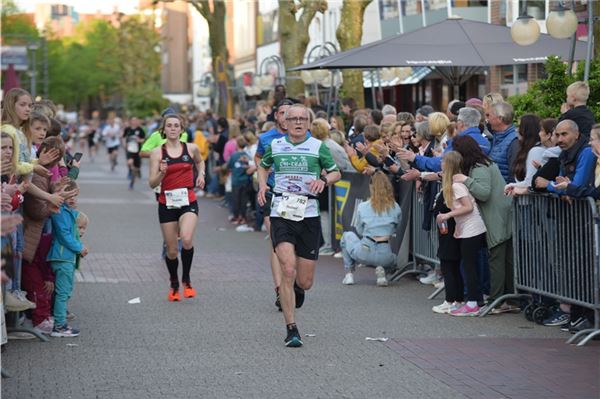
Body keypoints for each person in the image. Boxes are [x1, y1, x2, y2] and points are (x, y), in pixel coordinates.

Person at [257, 104, 340, 347]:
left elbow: (336, 173)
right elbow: (263, 166)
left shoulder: (317, 147)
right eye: (292, 118)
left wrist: (323, 180)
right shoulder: (275, 145)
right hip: (281, 212)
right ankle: (291, 328)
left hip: (309, 214)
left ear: (308, 122)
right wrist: (263, 186)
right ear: (285, 121)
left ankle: (296, 289)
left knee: (304, 281)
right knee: (288, 268)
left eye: (303, 119)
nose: (297, 122)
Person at [452, 136, 516, 314]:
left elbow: (484, 193)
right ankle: (507, 298)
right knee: (504, 259)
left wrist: (466, 180)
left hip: (496, 217)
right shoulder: (484, 164)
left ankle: (498, 300)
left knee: (497, 258)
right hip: (500, 214)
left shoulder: (479, 167)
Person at [149, 114, 205, 302]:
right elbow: (151, 183)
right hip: (167, 203)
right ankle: (174, 282)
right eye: (169, 126)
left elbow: (199, 161)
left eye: (176, 126)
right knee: (172, 251)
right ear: (163, 129)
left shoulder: (191, 148)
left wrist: (201, 175)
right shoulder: (157, 152)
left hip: (188, 200)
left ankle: (186, 279)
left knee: (187, 239)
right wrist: (162, 173)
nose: (173, 129)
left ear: (182, 129)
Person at [254, 98, 294, 309]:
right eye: (282, 113)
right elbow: (258, 159)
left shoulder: (304, 138)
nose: (286, 117)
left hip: (296, 196)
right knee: (277, 240)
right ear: (276, 116)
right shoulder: (266, 138)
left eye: (290, 113)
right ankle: (280, 288)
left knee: (293, 243)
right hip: (272, 193)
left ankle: (291, 281)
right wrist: (262, 183)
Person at [436, 151, 487, 316]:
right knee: (468, 265)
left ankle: (472, 303)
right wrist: (458, 226)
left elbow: (468, 207)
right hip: (467, 227)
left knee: (469, 266)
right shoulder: (452, 184)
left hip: (473, 228)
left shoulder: (456, 186)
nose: (441, 163)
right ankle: (473, 300)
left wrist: (447, 215)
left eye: (443, 161)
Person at [340, 172, 401, 287]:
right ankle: (382, 272)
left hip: (364, 251)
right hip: (385, 254)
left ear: (371, 187)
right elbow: (395, 228)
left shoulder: (362, 207)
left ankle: (349, 274)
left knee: (346, 236)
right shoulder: (396, 207)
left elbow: (359, 230)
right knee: (393, 259)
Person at [47, 180, 88, 337]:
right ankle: (59, 326)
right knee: (63, 293)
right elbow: (65, 236)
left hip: (65, 257)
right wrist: (79, 248)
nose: (72, 199)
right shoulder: (61, 212)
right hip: (63, 257)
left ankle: (58, 321)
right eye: (69, 195)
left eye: (75, 195)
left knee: (64, 292)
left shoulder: (65, 211)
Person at [486, 102, 518, 183]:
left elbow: (514, 173)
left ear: (500, 119)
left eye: (489, 115)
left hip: (505, 191)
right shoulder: (497, 137)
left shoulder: (514, 141)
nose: (487, 119)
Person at [122, 117, 146, 190]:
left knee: (135, 169)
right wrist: (124, 144)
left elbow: (143, 139)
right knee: (129, 162)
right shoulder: (127, 129)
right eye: (133, 120)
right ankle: (130, 171)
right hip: (129, 150)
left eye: (136, 120)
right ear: (131, 121)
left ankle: (131, 183)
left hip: (137, 151)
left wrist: (139, 140)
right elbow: (123, 137)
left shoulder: (140, 129)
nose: (134, 122)